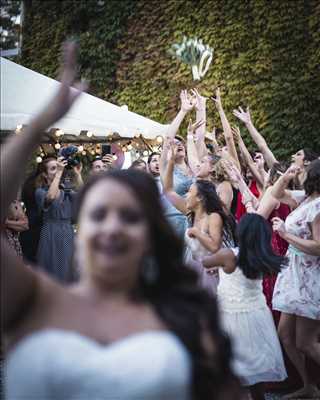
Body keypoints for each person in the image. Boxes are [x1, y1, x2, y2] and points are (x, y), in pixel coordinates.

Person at [1, 42, 240, 400]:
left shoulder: (179, 303)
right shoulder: (41, 299)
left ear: (148, 230)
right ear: (81, 227)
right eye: (98, 214)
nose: (112, 226)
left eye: (128, 215)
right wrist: (36, 128)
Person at [202, 213, 287, 400]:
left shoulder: (228, 255)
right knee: (255, 369)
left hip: (230, 317)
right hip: (257, 316)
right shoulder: (265, 258)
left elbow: (204, 262)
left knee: (230, 367)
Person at [161, 132, 236, 295]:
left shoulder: (222, 190)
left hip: (216, 263)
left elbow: (218, 235)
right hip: (193, 262)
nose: (197, 164)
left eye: (203, 162)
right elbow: (168, 190)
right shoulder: (191, 209)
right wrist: (171, 162)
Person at [271, 161, 320, 399]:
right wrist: (285, 175)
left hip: (310, 277)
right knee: (286, 336)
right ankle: (308, 387)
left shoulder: (319, 205)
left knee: (306, 343)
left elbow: (319, 247)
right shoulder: (305, 198)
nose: (302, 170)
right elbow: (276, 194)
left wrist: (285, 235)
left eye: (305, 169)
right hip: (294, 275)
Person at [34, 155, 82, 283]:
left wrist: (77, 174)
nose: (57, 170)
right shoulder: (40, 192)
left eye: (58, 167)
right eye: (53, 168)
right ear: (45, 174)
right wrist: (59, 172)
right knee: (52, 272)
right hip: (51, 233)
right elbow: (50, 197)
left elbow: (85, 197)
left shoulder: (66, 191)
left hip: (68, 232)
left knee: (70, 272)